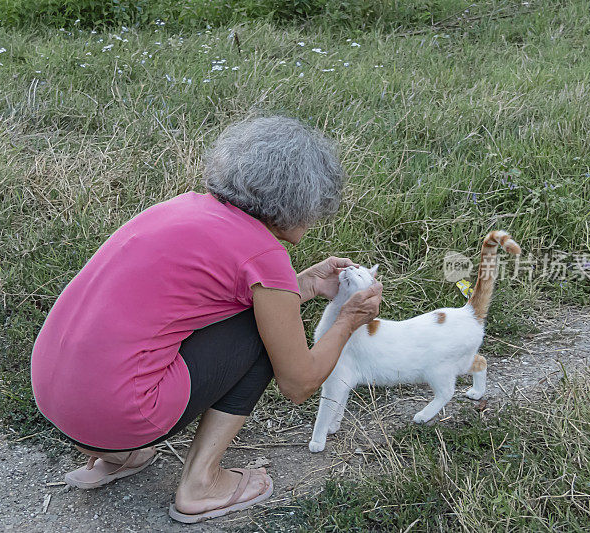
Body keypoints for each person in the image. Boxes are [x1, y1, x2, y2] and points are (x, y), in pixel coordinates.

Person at [30, 116, 383, 523]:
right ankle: (201, 483)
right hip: (121, 413)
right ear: (296, 203)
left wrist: (300, 285)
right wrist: (348, 319)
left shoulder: (183, 207)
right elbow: (299, 383)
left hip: (57, 399)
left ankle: (117, 454)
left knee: (239, 320)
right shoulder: (265, 258)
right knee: (262, 335)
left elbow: (208, 299)